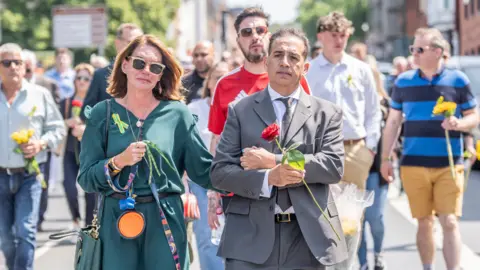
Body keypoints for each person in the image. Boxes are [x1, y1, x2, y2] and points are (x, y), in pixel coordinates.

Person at [210, 28, 347, 270]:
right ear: (266, 62)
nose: (285, 62)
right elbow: (220, 174)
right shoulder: (239, 111)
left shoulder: (327, 113)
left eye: (293, 57)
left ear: (305, 67)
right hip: (248, 239)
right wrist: (268, 179)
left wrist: (273, 160)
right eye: (278, 55)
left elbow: (333, 166)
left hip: (309, 237)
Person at [77, 34, 217, 269]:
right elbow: (86, 179)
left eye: (155, 67)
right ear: (125, 64)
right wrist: (118, 162)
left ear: (162, 73)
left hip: (165, 218)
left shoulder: (177, 114)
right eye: (139, 63)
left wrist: (252, 176)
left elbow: (203, 170)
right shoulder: (103, 113)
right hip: (116, 218)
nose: (146, 71)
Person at [381, 28, 479, 270]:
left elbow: (474, 116)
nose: (413, 53)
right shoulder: (403, 82)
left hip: (449, 162)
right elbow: (393, 122)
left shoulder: (458, 80)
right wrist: (385, 158)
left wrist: (459, 123)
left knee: (450, 222)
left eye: (419, 49)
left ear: (437, 52)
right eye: (413, 48)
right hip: (413, 164)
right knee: (424, 222)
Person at [0, 43, 65, 270]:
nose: (13, 67)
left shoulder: (40, 95)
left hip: (30, 175)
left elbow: (58, 129)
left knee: (26, 230)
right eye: (6, 63)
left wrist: (41, 143)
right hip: (0, 176)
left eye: (18, 62)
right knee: (6, 239)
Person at [306, 11, 381, 190]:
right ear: (320, 36)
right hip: (321, 151)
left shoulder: (361, 69)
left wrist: (370, 147)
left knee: (354, 214)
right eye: (333, 35)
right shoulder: (308, 71)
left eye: (343, 35)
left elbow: (373, 110)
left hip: (356, 149)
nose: (339, 41)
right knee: (323, 212)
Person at [186, 61, 229, 270]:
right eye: (216, 76)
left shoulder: (239, 106)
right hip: (202, 180)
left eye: (225, 76)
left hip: (231, 179)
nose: (220, 81)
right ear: (208, 82)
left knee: (233, 236)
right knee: (206, 235)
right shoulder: (193, 109)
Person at [22, 49, 61, 231]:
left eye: (29, 68)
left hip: (41, 147)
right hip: (15, 150)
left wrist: (45, 141)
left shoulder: (47, 86)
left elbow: (56, 117)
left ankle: (38, 217)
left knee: (41, 182)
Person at [357, 55, 390, 270]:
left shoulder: (384, 103)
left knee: (375, 218)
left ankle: (378, 252)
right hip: (355, 167)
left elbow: (393, 134)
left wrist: (389, 159)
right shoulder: (352, 102)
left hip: (377, 168)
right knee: (357, 220)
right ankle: (362, 264)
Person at [59, 63, 97, 231]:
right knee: (69, 186)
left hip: (90, 153)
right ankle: (75, 218)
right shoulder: (66, 102)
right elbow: (55, 124)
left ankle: (89, 225)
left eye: (86, 78)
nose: (82, 81)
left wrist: (85, 129)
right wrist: (68, 123)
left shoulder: (97, 103)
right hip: (70, 151)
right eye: (78, 78)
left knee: (90, 191)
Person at [80, 23, 144, 121]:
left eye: (139, 43)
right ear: (117, 43)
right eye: (130, 42)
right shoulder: (101, 75)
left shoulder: (149, 75)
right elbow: (86, 112)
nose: (135, 47)